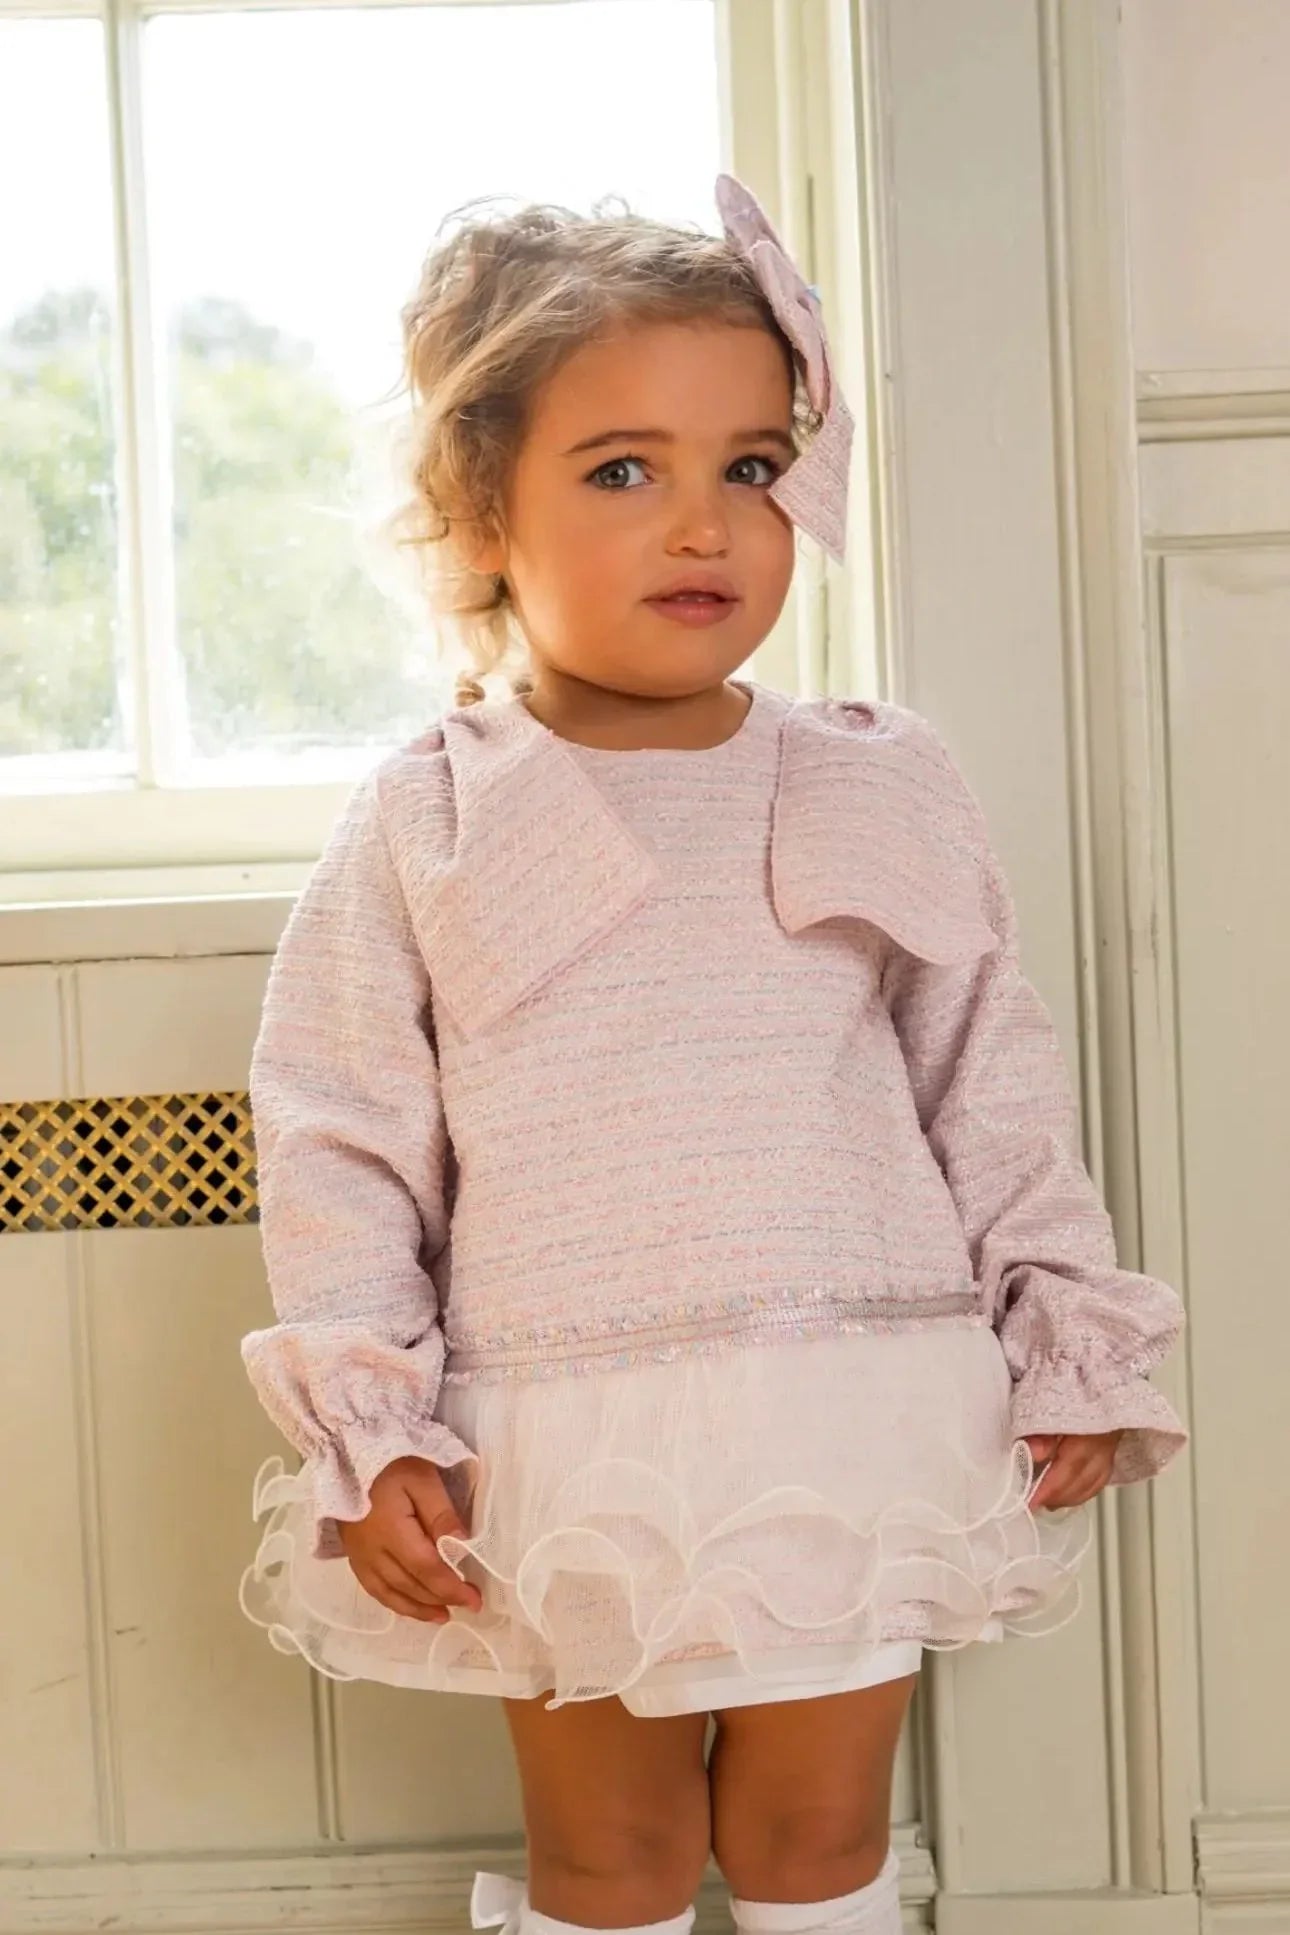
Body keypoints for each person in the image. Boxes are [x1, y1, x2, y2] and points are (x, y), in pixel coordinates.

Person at [236, 174, 1188, 1935]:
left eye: (747, 466)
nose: (702, 525)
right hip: (566, 1430)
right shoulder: (435, 815)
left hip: (857, 1400)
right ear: (479, 513)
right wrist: (380, 1424)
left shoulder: (871, 774)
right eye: (622, 470)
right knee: (611, 1858)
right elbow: (341, 1134)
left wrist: (1061, 1322)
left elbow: (986, 1072)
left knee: (818, 1843)